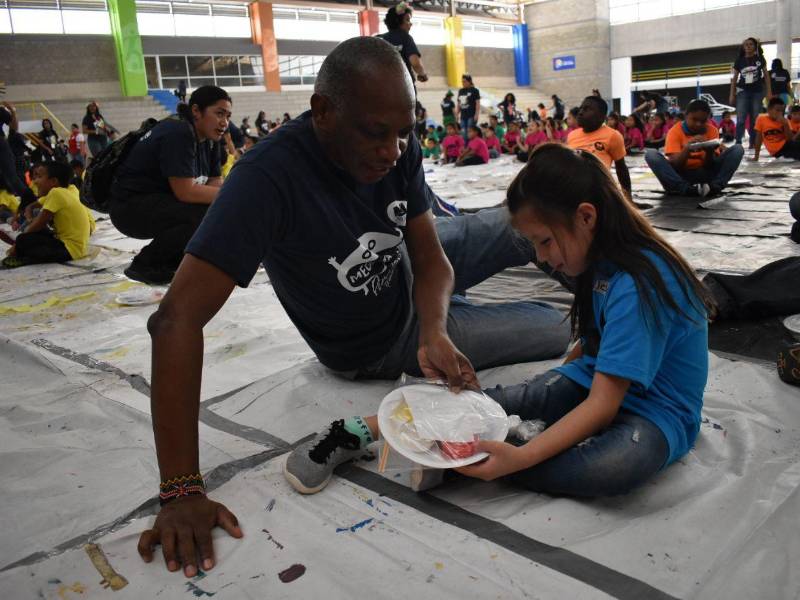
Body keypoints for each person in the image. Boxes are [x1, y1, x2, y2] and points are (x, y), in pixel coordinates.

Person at [136, 38, 570, 577]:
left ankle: (669, 283)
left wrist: (436, 328)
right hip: (380, 341)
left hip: (411, 282)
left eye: (404, 132)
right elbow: (175, 319)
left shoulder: (396, 145)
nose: (393, 150)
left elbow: (431, 258)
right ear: (322, 112)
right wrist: (180, 490)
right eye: (376, 132)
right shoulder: (266, 179)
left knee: (531, 220)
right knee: (558, 327)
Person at [285, 142, 714, 499]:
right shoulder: (598, 263)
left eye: (544, 242)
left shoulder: (641, 280)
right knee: (521, 397)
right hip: (596, 381)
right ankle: (360, 429)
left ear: (587, 216)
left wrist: (524, 459)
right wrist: (557, 387)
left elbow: (604, 405)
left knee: (613, 467)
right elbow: (593, 345)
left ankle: (474, 459)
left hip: (658, 413)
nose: (542, 258)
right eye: (534, 245)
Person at [109, 86, 230, 284]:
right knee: (200, 214)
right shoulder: (179, 132)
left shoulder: (211, 138)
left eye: (227, 115)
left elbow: (215, 181)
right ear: (196, 111)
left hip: (160, 204)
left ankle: (176, 261)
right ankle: (147, 264)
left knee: (215, 208)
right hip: (129, 208)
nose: (224, 122)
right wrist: (233, 196)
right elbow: (186, 192)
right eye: (219, 113)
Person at [2, 162, 95, 268]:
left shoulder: (56, 193)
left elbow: (40, 223)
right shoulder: (65, 191)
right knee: (34, 233)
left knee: (23, 240)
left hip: (69, 251)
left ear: (54, 181)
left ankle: (26, 258)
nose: (35, 181)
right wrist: (29, 219)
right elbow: (32, 208)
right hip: (73, 247)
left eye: (39, 177)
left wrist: (16, 245)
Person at [645, 99, 744, 198]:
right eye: (694, 119)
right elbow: (676, 165)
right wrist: (687, 149)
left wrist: (709, 152)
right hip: (682, 175)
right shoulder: (674, 131)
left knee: (737, 149)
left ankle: (715, 186)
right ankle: (684, 189)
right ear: (686, 116)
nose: (698, 124)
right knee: (651, 154)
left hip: (706, 175)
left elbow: (709, 165)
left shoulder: (712, 130)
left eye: (703, 121)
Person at [567, 96, 631, 198]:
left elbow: (621, 168)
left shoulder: (613, 135)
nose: (580, 112)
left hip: (597, 189)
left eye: (587, 109)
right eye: (581, 108)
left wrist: (628, 200)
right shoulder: (572, 135)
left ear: (601, 117)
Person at [729, 37, 771, 147]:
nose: (748, 46)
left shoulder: (760, 59)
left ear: (755, 46)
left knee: (755, 119)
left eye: (751, 44)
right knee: (741, 118)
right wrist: (732, 94)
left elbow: (766, 76)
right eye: (746, 44)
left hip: (757, 92)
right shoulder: (739, 60)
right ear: (743, 47)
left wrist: (769, 92)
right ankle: (738, 142)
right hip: (742, 91)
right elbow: (734, 78)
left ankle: (753, 143)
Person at [377, 2, 428, 89]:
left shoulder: (378, 39)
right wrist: (422, 74)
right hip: (403, 87)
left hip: (381, 87)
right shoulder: (406, 38)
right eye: (407, 20)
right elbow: (415, 63)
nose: (410, 24)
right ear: (398, 21)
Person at [753, 97, 800, 161]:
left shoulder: (784, 121)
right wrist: (756, 156)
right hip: (777, 151)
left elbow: (790, 139)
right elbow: (758, 139)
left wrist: (785, 125)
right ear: (769, 109)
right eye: (777, 110)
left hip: (786, 146)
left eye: (782, 111)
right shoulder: (761, 119)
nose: (780, 113)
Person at [456, 74, 480, 144]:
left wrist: (476, 114)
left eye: (465, 81)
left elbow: (477, 103)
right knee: (463, 132)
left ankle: (471, 146)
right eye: (462, 82)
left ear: (469, 81)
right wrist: (457, 114)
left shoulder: (475, 90)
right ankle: (465, 146)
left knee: (470, 132)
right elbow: (459, 103)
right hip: (463, 115)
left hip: (471, 115)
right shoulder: (461, 91)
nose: (463, 83)